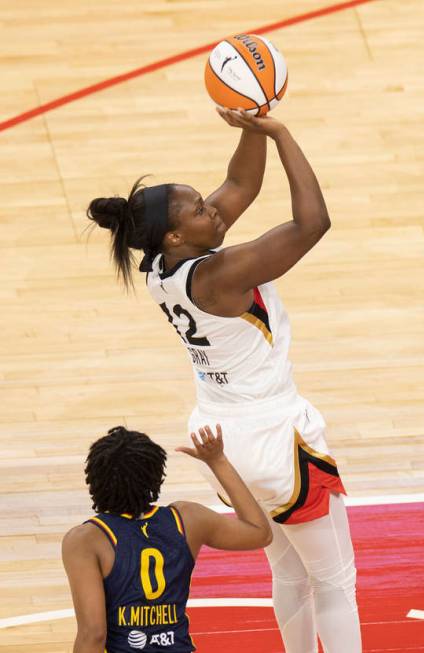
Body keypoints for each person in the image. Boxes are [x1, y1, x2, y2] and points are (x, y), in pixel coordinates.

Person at [87, 109, 361, 652]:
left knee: (289, 574)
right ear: (174, 232)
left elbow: (242, 183)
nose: (212, 210)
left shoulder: (163, 266)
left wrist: (251, 123)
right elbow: (312, 224)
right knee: (333, 581)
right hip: (276, 436)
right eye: (198, 209)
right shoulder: (218, 274)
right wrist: (281, 132)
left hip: (223, 441)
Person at [61, 424, 272, 653]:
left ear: (95, 479)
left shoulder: (86, 540)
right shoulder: (188, 519)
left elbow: (93, 634)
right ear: (154, 476)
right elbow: (259, 532)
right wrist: (217, 461)